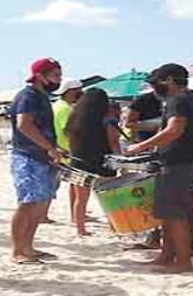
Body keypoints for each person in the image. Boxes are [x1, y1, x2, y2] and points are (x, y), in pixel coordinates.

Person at [125, 64, 193, 274]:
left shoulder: (176, 100)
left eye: (155, 83)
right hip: (190, 160)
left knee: (173, 213)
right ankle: (166, 256)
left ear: (169, 80)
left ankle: (183, 262)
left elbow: (174, 129)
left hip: (177, 161)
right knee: (171, 210)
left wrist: (139, 147)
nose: (154, 89)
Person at [9, 58, 63, 263]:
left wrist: (55, 149)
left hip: (42, 157)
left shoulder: (41, 97)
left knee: (39, 205)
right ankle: (17, 251)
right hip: (27, 157)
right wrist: (49, 148)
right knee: (28, 204)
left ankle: (28, 248)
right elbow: (24, 125)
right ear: (40, 76)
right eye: (55, 76)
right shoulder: (28, 96)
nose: (58, 80)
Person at [66, 87, 121, 236]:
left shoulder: (74, 119)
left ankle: (80, 229)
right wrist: (121, 163)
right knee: (110, 197)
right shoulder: (107, 120)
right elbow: (113, 143)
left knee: (81, 199)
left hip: (78, 161)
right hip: (103, 162)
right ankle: (113, 226)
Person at [51, 79, 84, 223]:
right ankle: (76, 216)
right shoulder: (65, 108)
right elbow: (69, 130)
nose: (81, 93)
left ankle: (75, 215)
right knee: (77, 184)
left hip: (60, 149)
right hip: (68, 151)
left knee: (72, 184)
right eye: (79, 90)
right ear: (70, 91)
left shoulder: (57, 105)